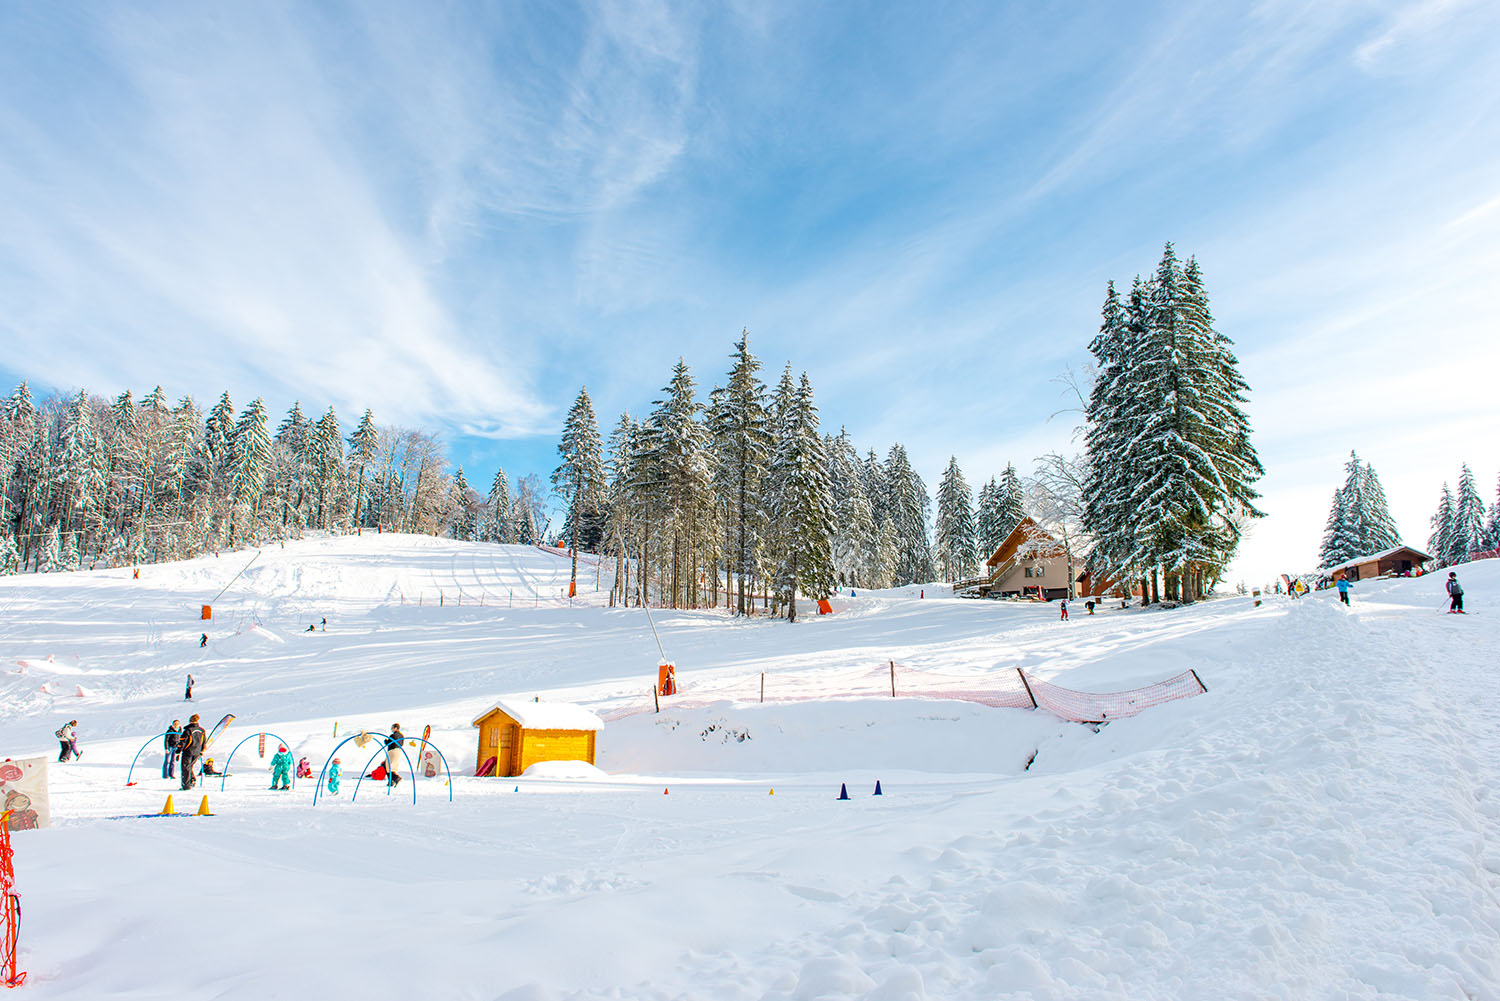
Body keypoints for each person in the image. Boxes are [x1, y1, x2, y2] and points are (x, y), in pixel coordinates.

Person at [179, 714, 206, 790]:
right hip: (197, 752)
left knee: (186, 768)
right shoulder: (202, 730)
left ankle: (186, 786)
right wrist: (202, 750)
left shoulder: (188, 730)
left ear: (190, 721)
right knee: (189, 767)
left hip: (188, 751)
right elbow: (204, 741)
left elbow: (183, 742)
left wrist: (178, 751)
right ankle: (192, 780)